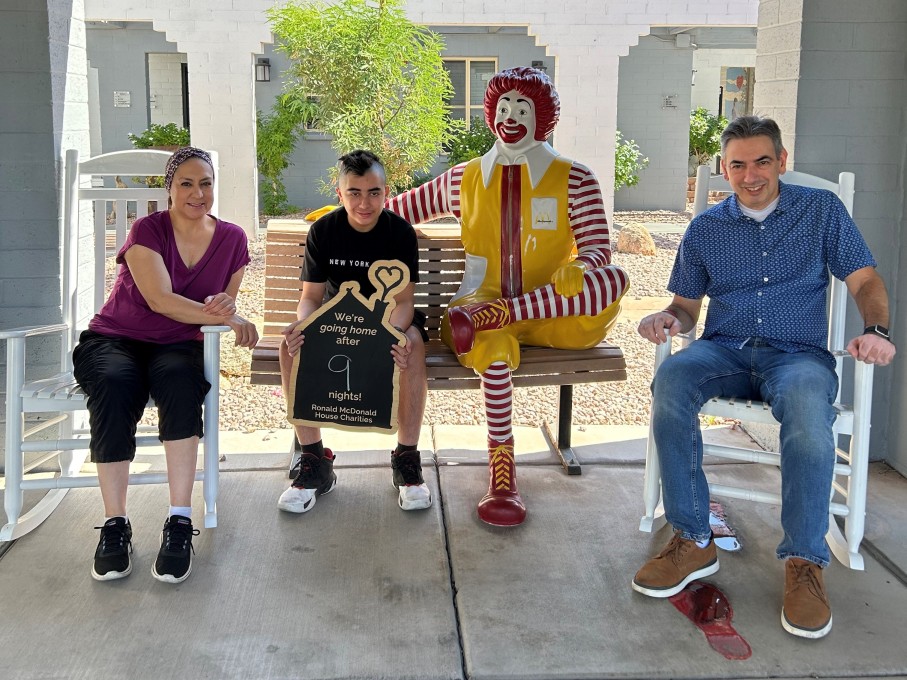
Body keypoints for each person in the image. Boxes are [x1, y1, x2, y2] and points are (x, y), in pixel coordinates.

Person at [632, 115, 896, 639]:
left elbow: (865, 278)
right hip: (723, 350)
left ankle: (804, 562)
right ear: (723, 169)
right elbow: (685, 308)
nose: (750, 175)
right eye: (737, 165)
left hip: (796, 355)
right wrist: (667, 319)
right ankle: (692, 537)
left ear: (781, 161)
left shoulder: (821, 212)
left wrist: (878, 329)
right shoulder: (706, 227)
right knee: (674, 381)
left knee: (806, 409)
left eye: (761, 162)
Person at [387, 66, 629, 526]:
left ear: (542, 117)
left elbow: (599, 246)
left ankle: (506, 312)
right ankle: (503, 476)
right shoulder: (465, 178)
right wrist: (344, 211)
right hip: (476, 310)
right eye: (503, 107)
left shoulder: (575, 178)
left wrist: (583, 266)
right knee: (494, 355)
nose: (510, 117)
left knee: (614, 280)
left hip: (555, 313)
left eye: (522, 108)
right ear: (490, 114)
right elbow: (400, 209)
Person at [73, 146, 259, 584]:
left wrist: (226, 307)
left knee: (179, 382)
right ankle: (115, 525)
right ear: (170, 188)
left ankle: (179, 522)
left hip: (177, 346)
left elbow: (222, 300)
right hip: (115, 337)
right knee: (116, 384)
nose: (198, 193)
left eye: (206, 183)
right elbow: (161, 300)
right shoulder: (147, 230)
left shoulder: (233, 239)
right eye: (187, 183)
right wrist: (229, 317)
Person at [277, 150, 431, 515]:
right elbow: (311, 297)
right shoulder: (324, 231)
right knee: (291, 347)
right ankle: (314, 462)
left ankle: (407, 461)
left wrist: (387, 336)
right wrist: (304, 325)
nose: (365, 202)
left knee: (413, 344)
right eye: (355, 192)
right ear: (339, 191)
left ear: (386, 191)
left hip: (388, 321)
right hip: (336, 324)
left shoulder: (399, 233)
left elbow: (406, 302)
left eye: (374, 192)